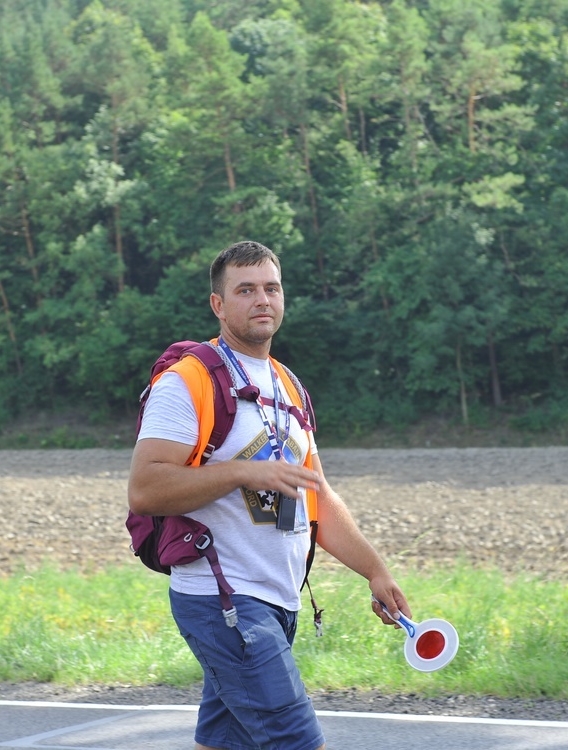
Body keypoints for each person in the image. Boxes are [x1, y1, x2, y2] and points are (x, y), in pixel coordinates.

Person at [128, 240, 410, 750]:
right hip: (224, 600)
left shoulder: (288, 385)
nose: (262, 299)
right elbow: (146, 488)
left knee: (225, 743)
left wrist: (375, 570)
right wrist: (242, 473)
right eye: (246, 290)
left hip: (278, 600)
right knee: (296, 741)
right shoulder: (187, 382)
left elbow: (317, 496)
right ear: (218, 304)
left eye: (272, 288)